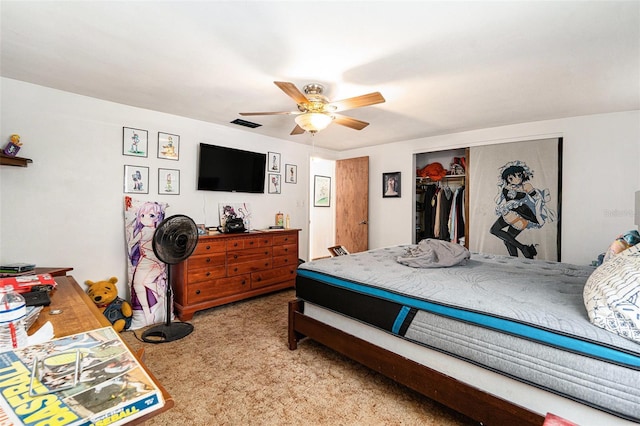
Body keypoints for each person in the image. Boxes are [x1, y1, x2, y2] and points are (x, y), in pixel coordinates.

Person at [490, 161, 554, 258]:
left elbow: (537, 198)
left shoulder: (526, 186)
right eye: (511, 178)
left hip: (521, 214)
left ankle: (519, 255)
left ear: (522, 175)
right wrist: (500, 189)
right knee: (498, 233)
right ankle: (523, 249)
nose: (515, 179)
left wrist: (536, 207)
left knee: (506, 239)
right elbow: (497, 201)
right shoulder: (506, 187)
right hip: (507, 213)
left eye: (518, 176)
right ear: (507, 178)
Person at [128, 202, 166, 325]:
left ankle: (150, 312)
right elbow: (131, 243)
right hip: (148, 261)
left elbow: (131, 243)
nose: (145, 219)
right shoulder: (150, 231)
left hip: (151, 262)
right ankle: (158, 301)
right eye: (142, 215)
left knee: (138, 284)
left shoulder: (151, 232)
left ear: (158, 216)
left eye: (150, 215)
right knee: (143, 283)